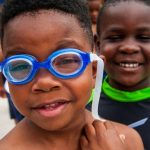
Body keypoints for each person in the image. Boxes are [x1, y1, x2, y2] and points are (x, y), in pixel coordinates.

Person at [0, 0, 144, 150]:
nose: (44, 83)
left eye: (66, 61)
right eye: (21, 66)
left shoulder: (127, 141)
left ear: (94, 71)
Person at [87, 0, 150, 149]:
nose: (129, 48)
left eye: (144, 38)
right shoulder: (83, 105)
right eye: (115, 38)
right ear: (97, 44)